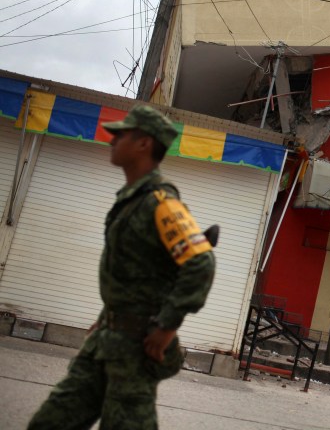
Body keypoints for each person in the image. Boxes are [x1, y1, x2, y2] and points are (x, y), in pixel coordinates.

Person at [28, 105, 216, 430]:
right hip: (105, 340)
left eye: (121, 134)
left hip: (135, 352)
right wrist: (107, 318)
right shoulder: (132, 199)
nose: (111, 139)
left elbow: (201, 261)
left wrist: (167, 326)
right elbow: (136, 276)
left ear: (144, 143)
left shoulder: (160, 202)